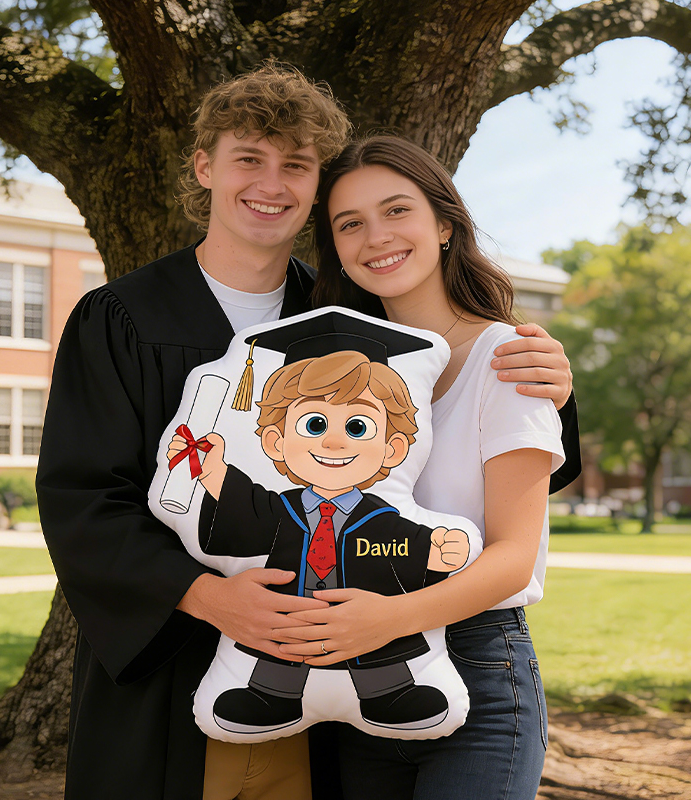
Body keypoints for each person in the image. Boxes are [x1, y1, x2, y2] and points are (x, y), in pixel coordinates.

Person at [36, 62, 577, 799]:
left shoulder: (340, 319)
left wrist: (552, 387)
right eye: (247, 159)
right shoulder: (123, 318)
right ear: (205, 168)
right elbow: (82, 499)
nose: (270, 183)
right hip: (171, 662)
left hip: (336, 671)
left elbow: (459, 452)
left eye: (295, 165)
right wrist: (203, 594)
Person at [271, 134, 572, 800]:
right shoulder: (343, 385)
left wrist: (383, 620)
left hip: (477, 669)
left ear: (443, 224)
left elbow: (512, 558)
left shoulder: (509, 358)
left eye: (396, 210)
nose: (375, 236)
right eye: (350, 224)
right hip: (358, 674)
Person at [168, 331, 471, 735]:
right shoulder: (282, 511)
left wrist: (435, 551)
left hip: (366, 625)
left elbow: (403, 540)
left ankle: (390, 693)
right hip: (289, 617)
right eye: (314, 423)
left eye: (358, 426)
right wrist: (214, 473)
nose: (332, 441)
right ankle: (270, 695)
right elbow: (248, 511)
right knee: (280, 652)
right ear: (276, 441)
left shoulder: (378, 516)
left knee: (379, 654)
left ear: (393, 449)